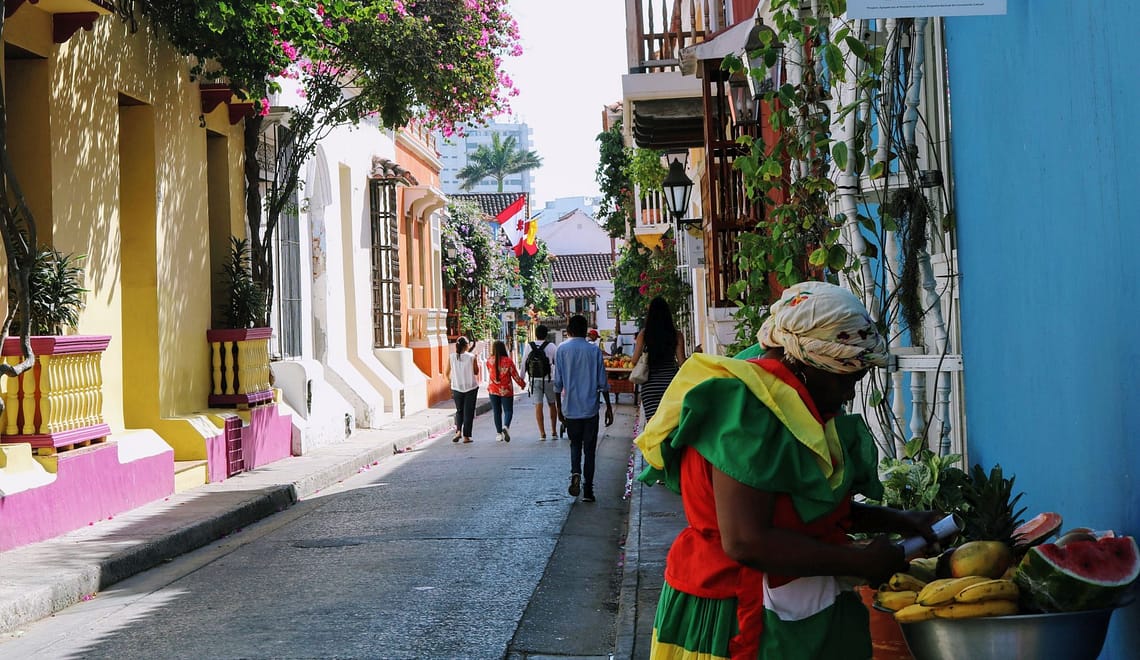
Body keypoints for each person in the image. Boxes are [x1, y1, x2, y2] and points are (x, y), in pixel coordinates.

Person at [636, 281, 942, 659]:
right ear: (805, 360)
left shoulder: (793, 397)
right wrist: (858, 561)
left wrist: (897, 519)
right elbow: (747, 540)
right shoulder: (748, 408)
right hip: (742, 614)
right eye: (845, 377)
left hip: (798, 611)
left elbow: (798, 508)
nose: (849, 392)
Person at [553, 314, 614, 503]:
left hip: (570, 408)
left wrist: (559, 409)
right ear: (586, 330)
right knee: (589, 450)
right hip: (590, 409)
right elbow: (602, 383)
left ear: (569, 330)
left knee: (574, 445)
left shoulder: (561, 350)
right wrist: (609, 408)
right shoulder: (593, 351)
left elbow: (557, 383)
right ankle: (588, 490)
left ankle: (575, 473)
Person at [630, 296, 687, 422]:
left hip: (650, 386)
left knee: (654, 426)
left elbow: (634, 361)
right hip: (670, 385)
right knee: (669, 425)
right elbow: (682, 362)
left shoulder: (644, 335)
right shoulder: (676, 335)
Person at [523, 324, 560, 441]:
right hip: (549, 379)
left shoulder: (529, 346)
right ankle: (554, 432)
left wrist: (521, 379)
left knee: (538, 405)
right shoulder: (552, 346)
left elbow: (524, 363)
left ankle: (542, 433)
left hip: (535, 380)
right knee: (552, 404)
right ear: (546, 334)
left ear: (536, 334)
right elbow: (558, 364)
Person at [486, 340, 525, 443]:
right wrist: (522, 384)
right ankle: (506, 426)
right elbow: (515, 375)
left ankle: (499, 434)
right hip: (506, 389)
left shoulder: (489, 361)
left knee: (496, 411)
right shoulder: (508, 361)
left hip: (493, 389)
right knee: (508, 410)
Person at [444, 336, 479, 444]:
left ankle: (458, 431)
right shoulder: (471, 357)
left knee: (459, 411)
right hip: (471, 387)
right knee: (468, 412)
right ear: (466, 345)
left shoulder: (452, 357)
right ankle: (466, 436)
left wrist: (451, 383)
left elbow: (446, 373)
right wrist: (475, 360)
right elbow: (476, 372)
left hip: (456, 387)